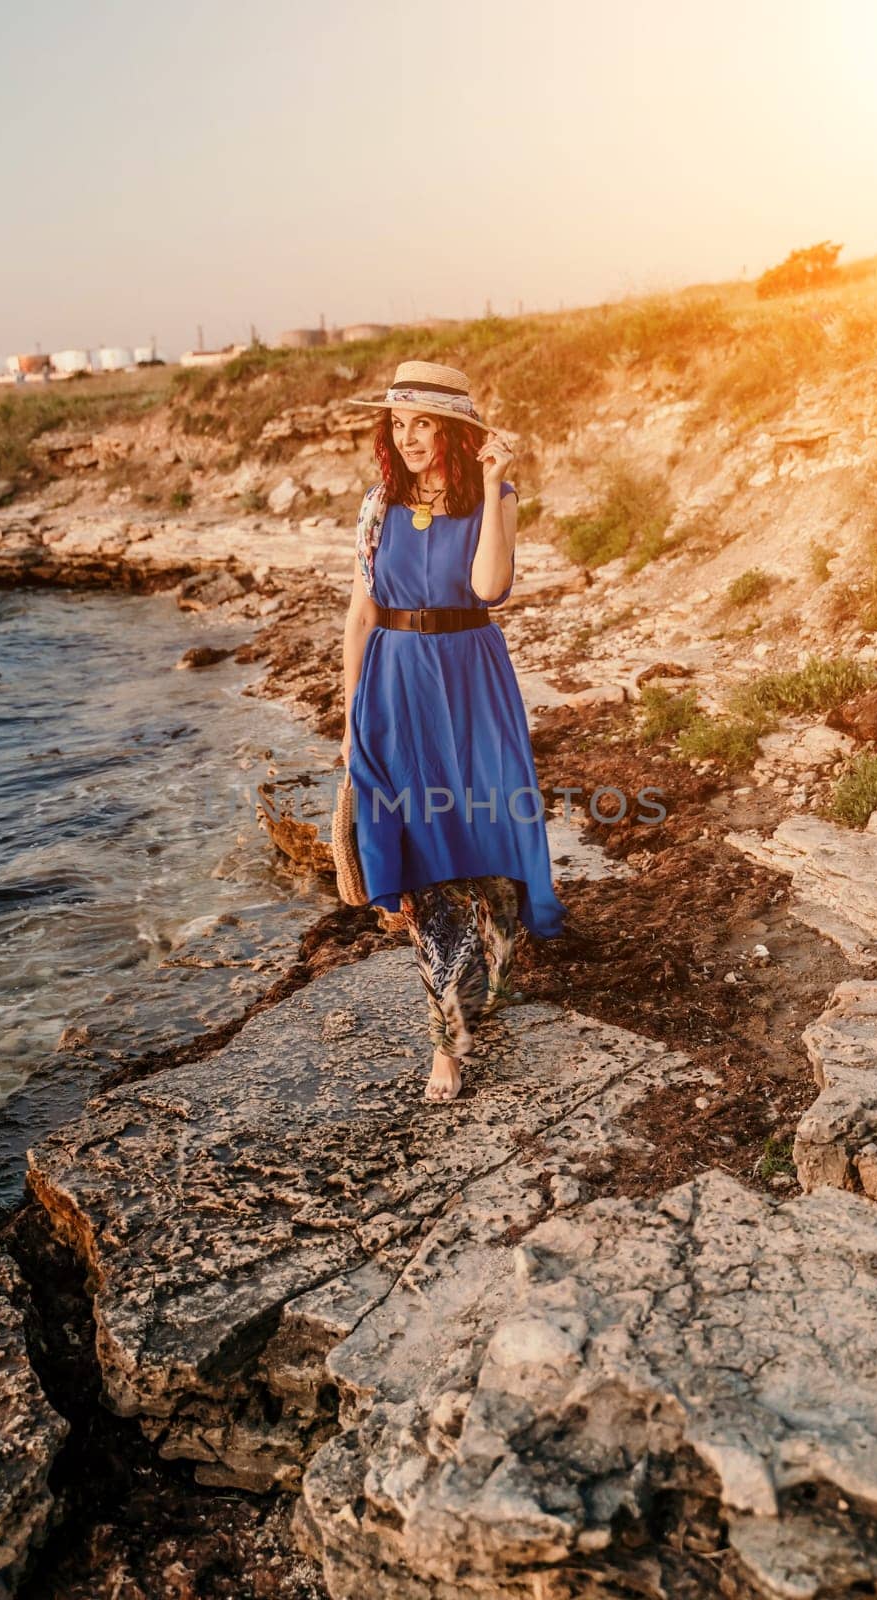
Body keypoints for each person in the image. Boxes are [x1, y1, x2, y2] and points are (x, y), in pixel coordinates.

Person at [340, 360, 567, 1104]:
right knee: (421, 863)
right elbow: (361, 612)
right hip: (395, 681)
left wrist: (499, 488)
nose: (406, 438)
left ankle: (491, 985)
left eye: (423, 423)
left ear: (455, 432)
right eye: (397, 424)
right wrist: (351, 714)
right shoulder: (377, 505)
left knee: (492, 850)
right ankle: (446, 1041)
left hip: (472, 678)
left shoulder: (490, 496)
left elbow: (489, 589)